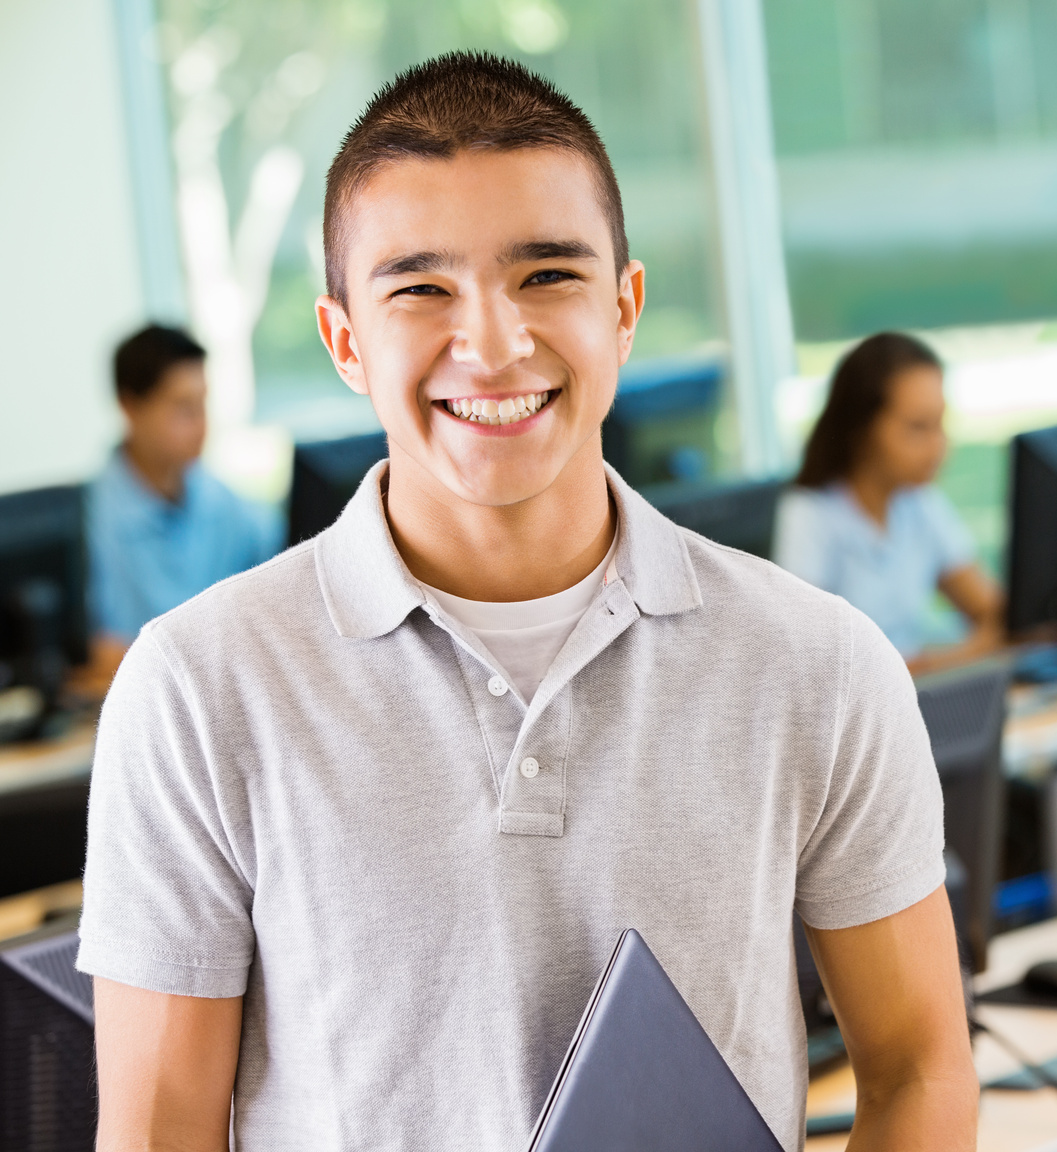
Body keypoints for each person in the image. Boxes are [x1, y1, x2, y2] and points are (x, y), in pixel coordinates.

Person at [78, 53, 976, 1152]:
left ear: (624, 307)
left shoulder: (821, 660)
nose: (494, 343)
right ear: (346, 340)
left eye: (547, 275)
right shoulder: (196, 687)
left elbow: (921, 1068)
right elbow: (162, 1132)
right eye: (421, 289)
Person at [775, 332, 1004, 673]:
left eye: (940, 424)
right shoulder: (810, 515)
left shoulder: (918, 500)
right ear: (863, 429)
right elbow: (810, 668)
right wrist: (956, 658)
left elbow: (990, 607)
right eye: (917, 428)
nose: (938, 446)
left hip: (919, 699)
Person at [82, 325, 278, 684]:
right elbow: (104, 655)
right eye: (183, 408)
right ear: (130, 406)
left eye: (203, 403)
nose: (202, 425)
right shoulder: (88, 520)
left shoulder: (223, 502)